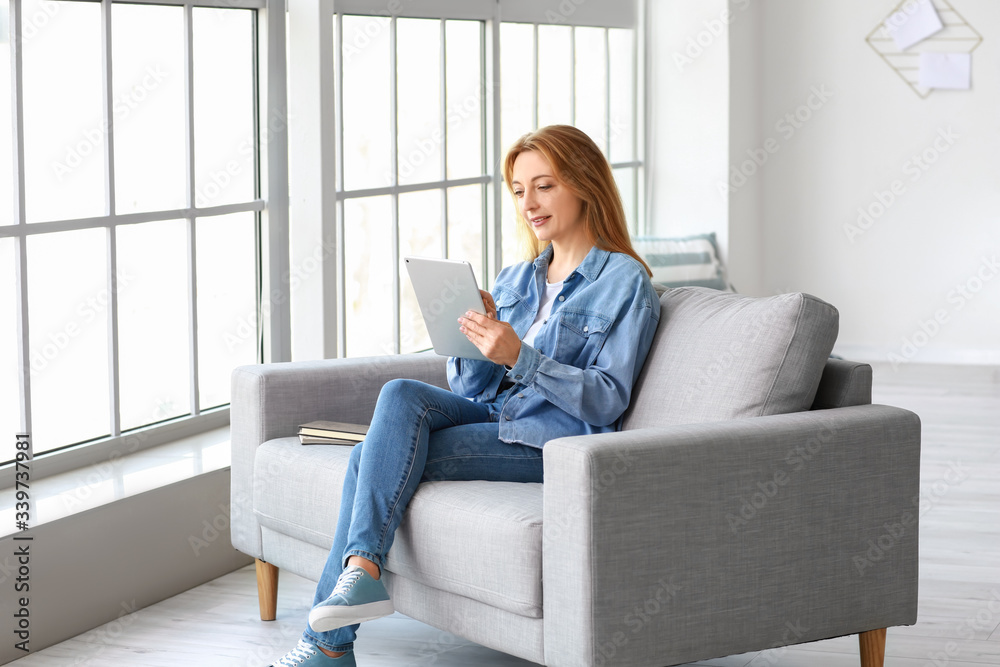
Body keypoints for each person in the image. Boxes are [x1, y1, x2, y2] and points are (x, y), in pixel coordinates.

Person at [269, 124, 661, 666]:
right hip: (496, 416)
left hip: (553, 443)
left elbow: (608, 400)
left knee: (368, 459)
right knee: (402, 392)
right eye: (519, 190)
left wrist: (519, 355)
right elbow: (470, 389)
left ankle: (330, 642)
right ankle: (355, 587)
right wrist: (474, 340)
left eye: (544, 186)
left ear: (584, 183)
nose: (529, 203)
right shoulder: (518, 277)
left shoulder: (625, 281)